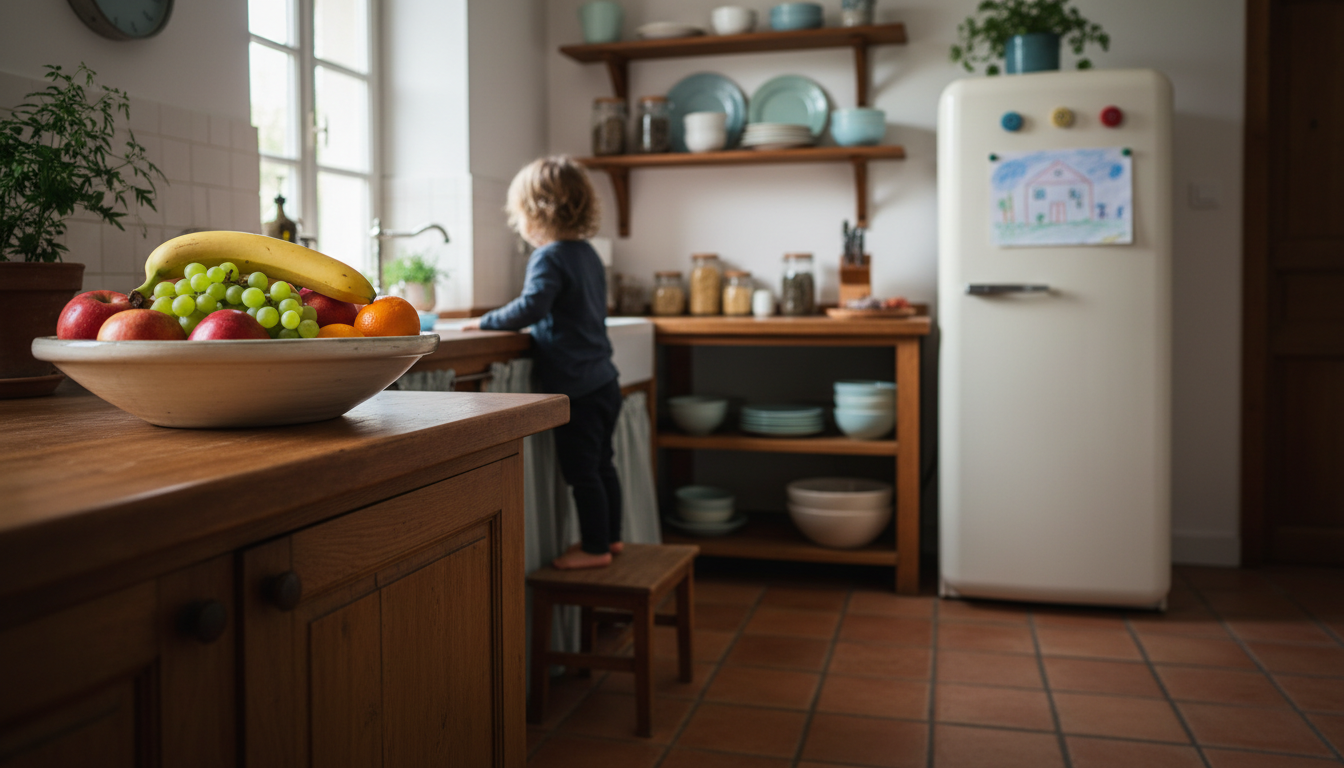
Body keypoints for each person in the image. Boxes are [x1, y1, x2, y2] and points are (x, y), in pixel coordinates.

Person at [461, 156, 622, 570]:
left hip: (578, 387)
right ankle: (612, 538)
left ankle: (595, 547)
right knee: (603, 465)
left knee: (582, 472)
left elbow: (532, 307)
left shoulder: (550, 257)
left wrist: (484, 321)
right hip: (604, 380)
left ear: (535, 213)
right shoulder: (586, 253)